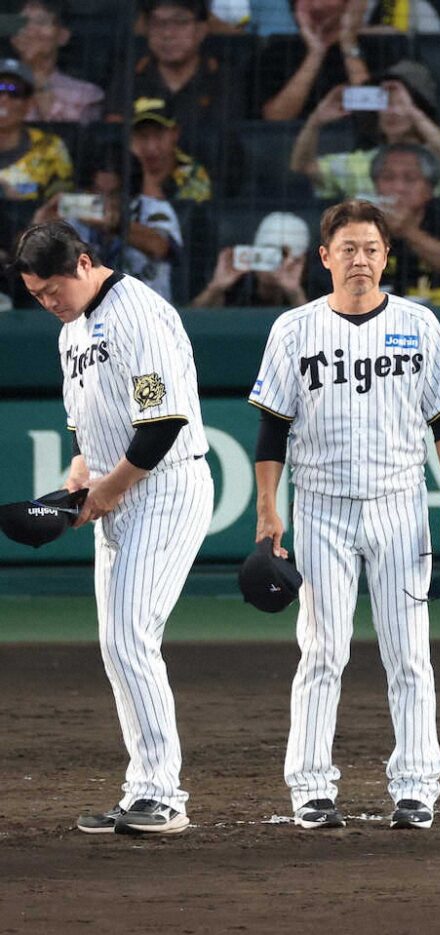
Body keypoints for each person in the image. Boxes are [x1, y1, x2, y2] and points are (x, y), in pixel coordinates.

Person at [248, 198, 440, 831]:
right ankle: (311, 787)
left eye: (372, 249)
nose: (361, 260)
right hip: (319, 508)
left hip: (401, 504)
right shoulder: (293, 329)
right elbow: (272, 430)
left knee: (409, 652)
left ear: (386, 256)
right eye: (348, 249)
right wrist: (268, 508)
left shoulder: (419, 324)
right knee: (323, 651)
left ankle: (417, 785)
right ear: (325, 258)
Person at [13, 219, 213, 835]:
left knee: (130, 637)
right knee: (118, 644)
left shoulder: (139, 315)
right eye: (36, 296)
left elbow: (161, 424)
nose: (48, 303)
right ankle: (144, 789)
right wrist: (82, 471)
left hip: (164, 488)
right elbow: (85, 419)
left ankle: (163, 795)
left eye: (52, 289)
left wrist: (106, 490)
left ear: (83, 262)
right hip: (118, 490)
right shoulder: (72, 330)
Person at [289, 58, 440, 199]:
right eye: (385, 103)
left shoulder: (435, 160)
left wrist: (413, 112)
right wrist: (315, 121)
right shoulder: (359, 164)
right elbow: (303, 166)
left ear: (420, 110)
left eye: (400, 104)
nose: (391, 112)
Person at [31, 143, 185, 302]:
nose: (104, 202)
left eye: (113, 194)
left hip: (146, 312)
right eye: (97, 193)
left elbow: (160, 247)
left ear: (129, 192)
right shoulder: (72, 212)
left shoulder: (153, 208)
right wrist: (37, 229)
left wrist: (115, 224)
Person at [105, 0, 241, 168]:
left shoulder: (224, 80)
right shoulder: (129, 78)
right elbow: (115, 140)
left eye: (181, 22)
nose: (168, 34)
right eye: (158, 23)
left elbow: (229, 147)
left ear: (201, 30)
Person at [366, 142, 440, 306]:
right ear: (376, 185)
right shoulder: (359, 224)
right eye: (388, 178)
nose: (398, 188)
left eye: (410, 179)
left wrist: (408, 231)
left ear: (429, 188)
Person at [11, 0, 106, 123]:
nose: (30, 30)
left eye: (41, 22)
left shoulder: (85, 94)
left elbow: (67, 136)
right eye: (22, 22)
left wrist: (36, 72)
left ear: (62, 36)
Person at [190, 210, 311, 307]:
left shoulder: (314, 291)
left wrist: (295, 294)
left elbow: (320, 334)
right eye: (266, 251)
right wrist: (216, 288)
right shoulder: (236, 287)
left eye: (281, 254)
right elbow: (188, 328)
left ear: (298, 262)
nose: (271, 260)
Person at [0, 57, 73, 201]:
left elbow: (64, 205)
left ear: (29, 104)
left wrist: (17, 200)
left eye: (15, 92)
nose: (3, 99)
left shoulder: (50, 148)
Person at [129, 95, 212, 203]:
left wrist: (149, 180)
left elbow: (180, 218)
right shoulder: (121, 171)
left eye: (159, 135)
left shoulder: (193, 174)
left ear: (175, 133)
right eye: (142, 136)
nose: (151, 147)